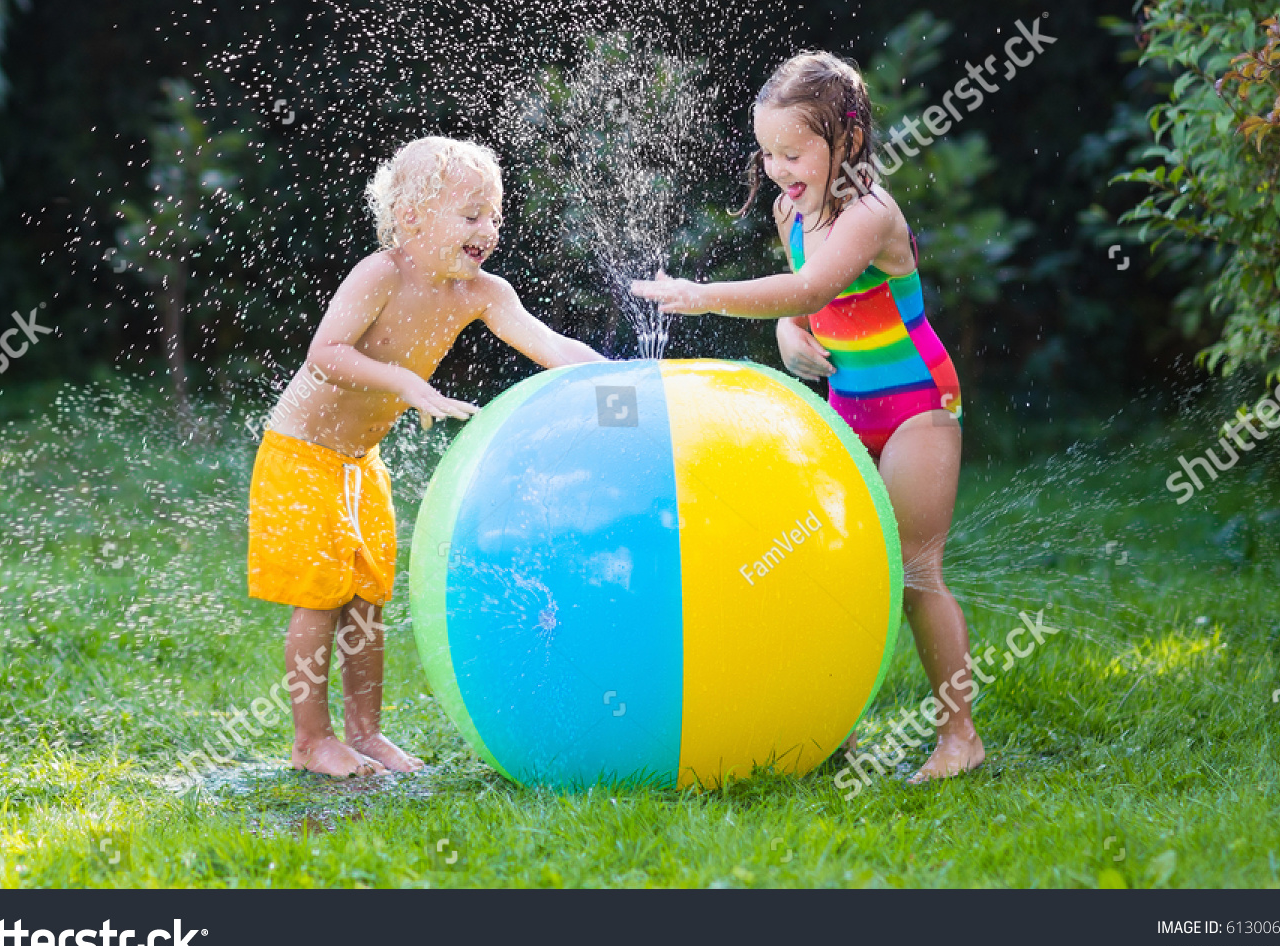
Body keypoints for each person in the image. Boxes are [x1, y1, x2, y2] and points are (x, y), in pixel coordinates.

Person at [631, 51, 983, 783]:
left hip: (919, 401)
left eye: (794, 151)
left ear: (846, 141)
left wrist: (703, 296)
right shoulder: (791, 209)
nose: (779, 167)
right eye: (767, 152)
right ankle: (834, 724)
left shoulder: (870, 213)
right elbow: (808, 306)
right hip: (848, 401)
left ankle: (959, 736)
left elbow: (812, 282)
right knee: (834, 569)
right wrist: (791, 334)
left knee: (916, 571)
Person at [249, 136, 606, 778]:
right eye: (472, 215)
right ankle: (310, 741)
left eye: (495, 215)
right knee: (321, 599)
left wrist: (623, 377)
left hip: (359, 464)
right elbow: (324, 354)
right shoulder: (382, 273)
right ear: (412, 216)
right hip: (301, 453)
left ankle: (366, 734)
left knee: (366, 601)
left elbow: (549, 344)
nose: (489, 229)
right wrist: (407, 384)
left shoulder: (481, 292)